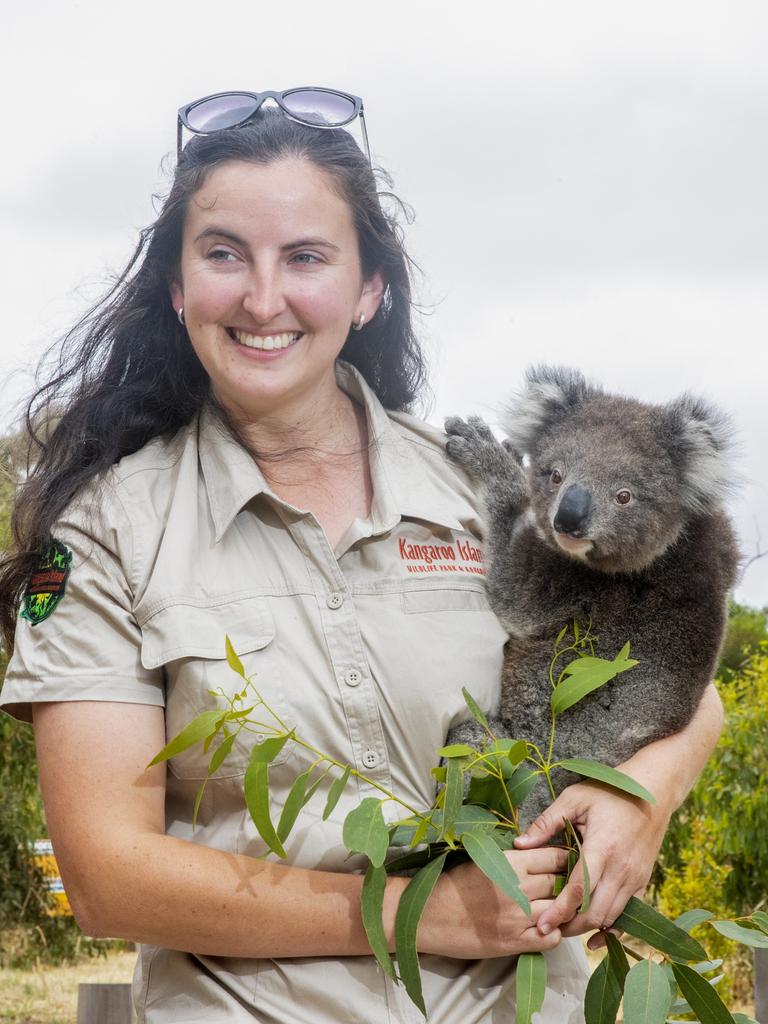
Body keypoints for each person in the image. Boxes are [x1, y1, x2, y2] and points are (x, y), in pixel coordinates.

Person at [0, 90, 724, 1023]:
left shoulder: (491, 489)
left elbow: (675, 677)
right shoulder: (104, 531)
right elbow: (107, 878)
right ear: (177, 288)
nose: (265, 299)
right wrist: (418, 917)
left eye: (306, 257)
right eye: (224, 254)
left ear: (370, 289)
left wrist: (645, 799)